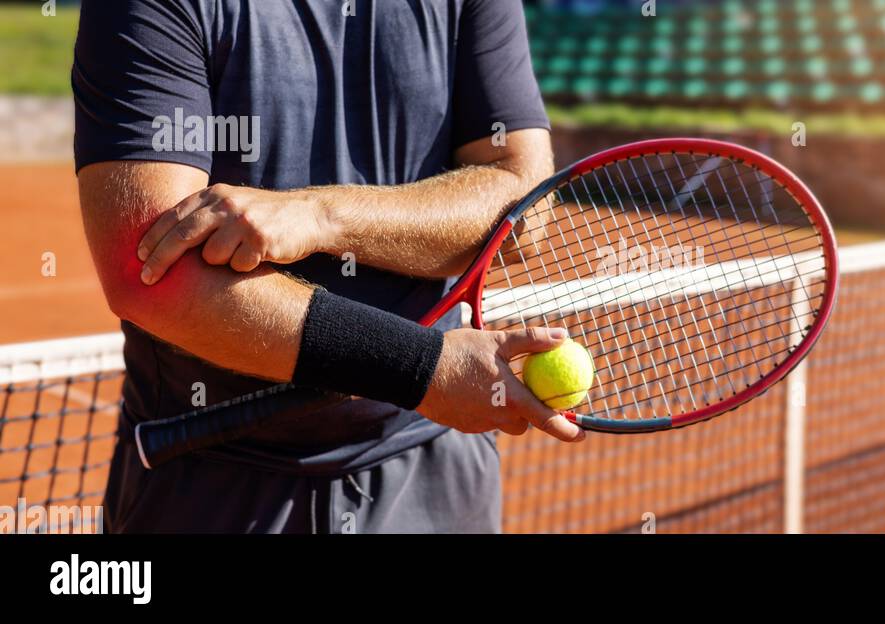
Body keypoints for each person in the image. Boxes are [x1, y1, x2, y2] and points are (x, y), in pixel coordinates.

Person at [73, 0, 583, 534]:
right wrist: (423, 368)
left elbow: (523, 205)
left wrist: (321, 215)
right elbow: (151, 277)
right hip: (215, 480)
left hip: (436, 467)